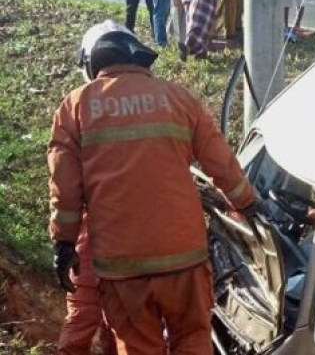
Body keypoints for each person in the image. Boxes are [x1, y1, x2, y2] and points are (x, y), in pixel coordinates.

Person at [48, 20, 255, 354]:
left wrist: (63, 242)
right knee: (193, 340)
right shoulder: (179, 98)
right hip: (185, 257)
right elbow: (222, 165)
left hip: (122, 266)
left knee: (138, 347)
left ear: (91, 62)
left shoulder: (76, 106)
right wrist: (247, 204)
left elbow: (65, 190)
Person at [57, 213, 116, 355]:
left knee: (120, 335)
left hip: (90, 262)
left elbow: (65, 207)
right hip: (91, 263)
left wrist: (63, 246)